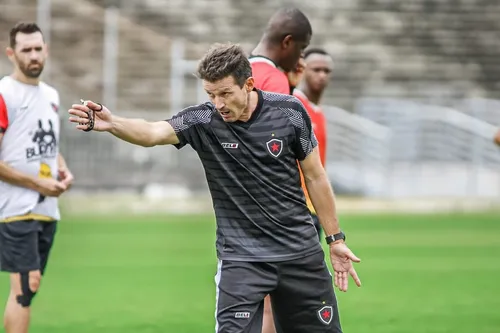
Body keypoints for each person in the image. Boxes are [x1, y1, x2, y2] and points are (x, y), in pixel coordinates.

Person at [69, 42, 361, 333]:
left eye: (225, 93)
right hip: (241, 259)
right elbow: (152, 132)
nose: (218, 103)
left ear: (248, 84)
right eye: (211, 94)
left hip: (300, 255)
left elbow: (315, 177)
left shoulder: (290, 111)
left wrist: (336, 240)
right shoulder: (204, 119)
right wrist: (112, 123)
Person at [0, 22, 74, 333]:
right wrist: (37, 183)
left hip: (46, 208)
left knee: (27, 289)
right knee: (25, 288)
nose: (33, 55)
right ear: (11, 54)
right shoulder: (5, 94)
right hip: (15, 207)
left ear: (46, 50)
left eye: (38, 48)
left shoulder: (51, 95)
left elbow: (47, 147)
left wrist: (62, 168)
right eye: (26, 49)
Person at [249, 8, 311, 332]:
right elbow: (278, 148)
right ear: (288, 43)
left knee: (247, 305)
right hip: (275, 211)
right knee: (274, 307)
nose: (301, 58)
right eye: (301, 49)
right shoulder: (274, 81)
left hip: (241, 209)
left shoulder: (239, 74)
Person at [294, 47, 334, 241]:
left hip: (314, 205)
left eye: (326, 71)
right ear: (302, 70)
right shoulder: (295, 106)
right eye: (316, 69)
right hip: (297, 206)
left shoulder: (318, 112)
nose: (322, 75)